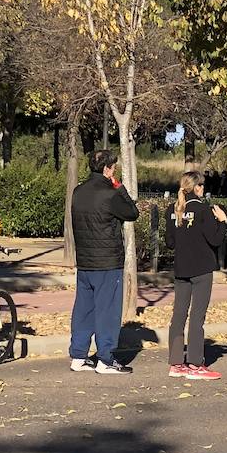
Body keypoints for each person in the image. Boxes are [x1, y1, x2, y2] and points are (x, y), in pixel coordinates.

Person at [69, 149, 138, 374]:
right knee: (107, 311)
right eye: (113, 167)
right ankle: (105, 359)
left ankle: (78, 355)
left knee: (84, 309)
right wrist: (120, 187)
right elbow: (132, 213)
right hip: (107, 261)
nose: (114, 170)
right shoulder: (111, 194)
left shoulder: (78, 192)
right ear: (107, 169)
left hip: (85, 261)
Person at [166, 171, 227, 380]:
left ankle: (176, 363)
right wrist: (223, 221)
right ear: (198, 188)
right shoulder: (203, 210)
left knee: (178, 315)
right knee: (197, 316)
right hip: (201, 269)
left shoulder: (173, 211)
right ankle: (195, 363)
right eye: (203, 186)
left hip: (181, 269)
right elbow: (215, 239)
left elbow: (170, 242)